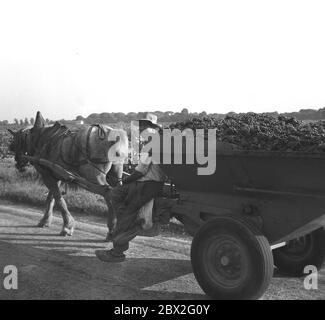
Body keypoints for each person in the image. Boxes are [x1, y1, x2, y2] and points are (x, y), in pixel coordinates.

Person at [96, 115, 167, 263]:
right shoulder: (158, 140)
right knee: (115, 194)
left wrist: (124, 180)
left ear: (151, 127)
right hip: (147, 182)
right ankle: (124, 220)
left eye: (144, 126)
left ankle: (117, 252)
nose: (141, 129)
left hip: (146, 184)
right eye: (141, 126)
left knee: (127, 212)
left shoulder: (151, 143)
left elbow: (141, 171)